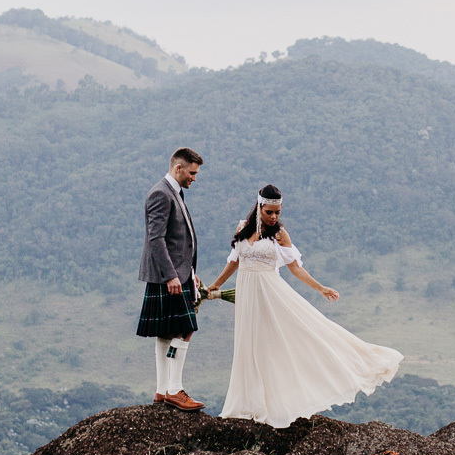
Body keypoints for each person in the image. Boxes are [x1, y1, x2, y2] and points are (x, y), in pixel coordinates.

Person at [207, 184, 403, 428]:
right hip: (247, 294)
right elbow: (233, 263)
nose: (274, 217)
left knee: (299, 334)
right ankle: (247, 404)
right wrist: (213, 287)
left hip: (271, 293)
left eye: (278, 212)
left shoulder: (280, 234)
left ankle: (281, 400)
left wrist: (320, 288)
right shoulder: (242, 229)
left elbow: (295, 267)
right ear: (259, 208)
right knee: (248, 344)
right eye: (270, 212)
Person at [136, 147, 205, 411]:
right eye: (192, 172)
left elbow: (179, 242)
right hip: (170, 277)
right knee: (185, 328)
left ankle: (162, 390)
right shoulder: (161, 194)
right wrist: (171, 276)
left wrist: (191, 274)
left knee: (166, 334)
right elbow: (156, 239)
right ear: (178, 168)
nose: (194, 178)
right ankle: (174, 389)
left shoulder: (174, 193)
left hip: (179, 274)